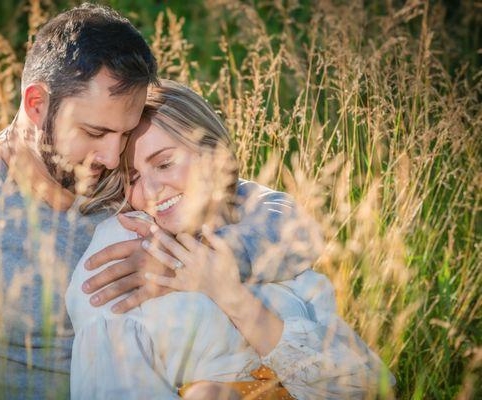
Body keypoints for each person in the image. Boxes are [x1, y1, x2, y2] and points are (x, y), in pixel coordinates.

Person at [0, 4, 319, 399]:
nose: (113, 157)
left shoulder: (137, 179)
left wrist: (189, 264)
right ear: (36, 104)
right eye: (94, 133)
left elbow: (291, 225)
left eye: (125, 133)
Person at [66, 80, 393, 399]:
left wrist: (224, 289)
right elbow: (112, 382)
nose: (151, 191)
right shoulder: (122, 249)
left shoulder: (265, 235)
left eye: (165, 163)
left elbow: (370, 389)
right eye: (133, 178)